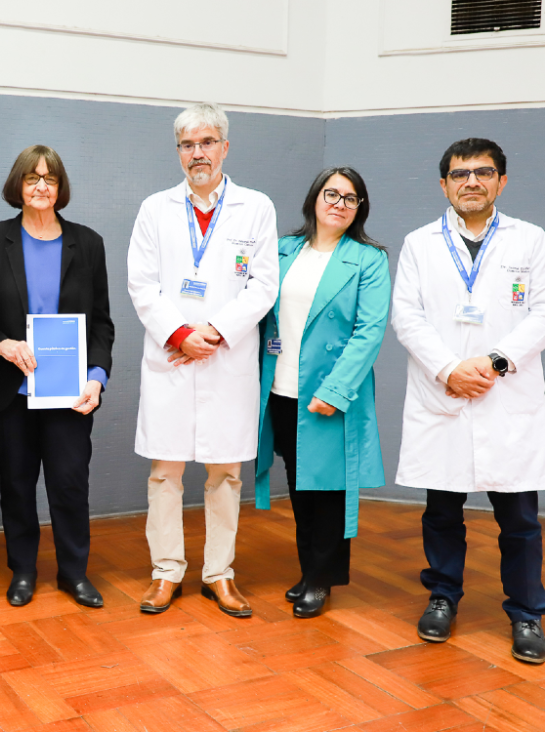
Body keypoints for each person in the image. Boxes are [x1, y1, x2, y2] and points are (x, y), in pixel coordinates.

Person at [392, 138, 545, 664]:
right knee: (441, 511)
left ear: (502, 181)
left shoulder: (532, 241)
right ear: (444, 184)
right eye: (460, 174)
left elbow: (542, 313)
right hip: (445, 394)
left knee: (522, 519)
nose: (472, 182)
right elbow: (406, 317)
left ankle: (526, 612)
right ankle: (442, 596)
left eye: (484, 172)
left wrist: (496, 362)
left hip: (508, 396)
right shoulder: (419, 244)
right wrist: (449, 369)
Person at [127, 102, 279, 616]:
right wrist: (179, 333)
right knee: (165, 472)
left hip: (225, 358)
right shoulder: (155, 208)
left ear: (225, 147)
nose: (198, 153)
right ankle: (166, 571)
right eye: (188, 144)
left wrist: (212, 333)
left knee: (225, 473)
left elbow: (263, 285)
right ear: (178, 152)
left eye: (207, 142)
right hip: (172, 356)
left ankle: (219, 573)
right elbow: (142, 284)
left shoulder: (256, 207)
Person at [0, 145, 115, 608]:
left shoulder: (87, 243)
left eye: (50, 179)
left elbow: (101, 323)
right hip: (9, 389)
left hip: (70, 391)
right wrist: (3, 344)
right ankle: (23, 571)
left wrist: (96, 377)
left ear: (60, 188)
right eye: (32, 178)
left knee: (69, 484)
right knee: (16, 484)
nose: (40, 186)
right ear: (18, 185)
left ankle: (74, 573)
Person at [254, 167, 391, 618]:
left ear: (359, 209)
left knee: (328, 490)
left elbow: (368, 332)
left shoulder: (368, 259)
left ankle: (321, 578)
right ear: (314, 198)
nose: (338, 203)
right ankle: (307, 567)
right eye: (331, 194)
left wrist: (335, 390)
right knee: (298, 484)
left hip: (330, 394)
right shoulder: (282, 250)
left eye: (350, 199)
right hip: (281, 387)